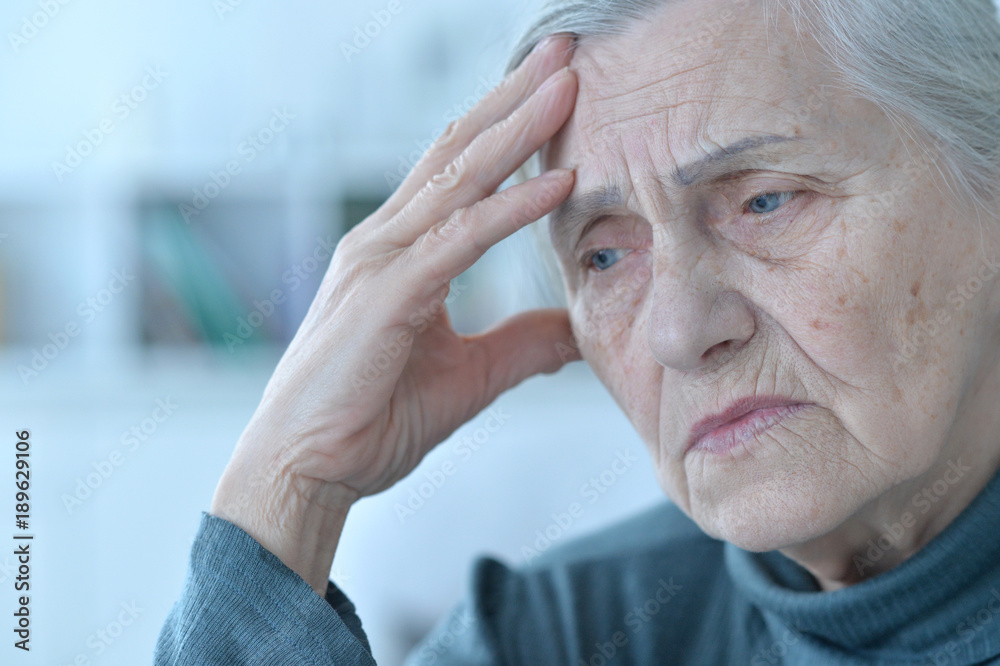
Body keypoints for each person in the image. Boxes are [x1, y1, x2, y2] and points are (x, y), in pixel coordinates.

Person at [154, 0, 1000, 663]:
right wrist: (289, 489)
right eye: (603, 257)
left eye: (764, 200)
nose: (676, 330)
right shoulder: (554, 634)